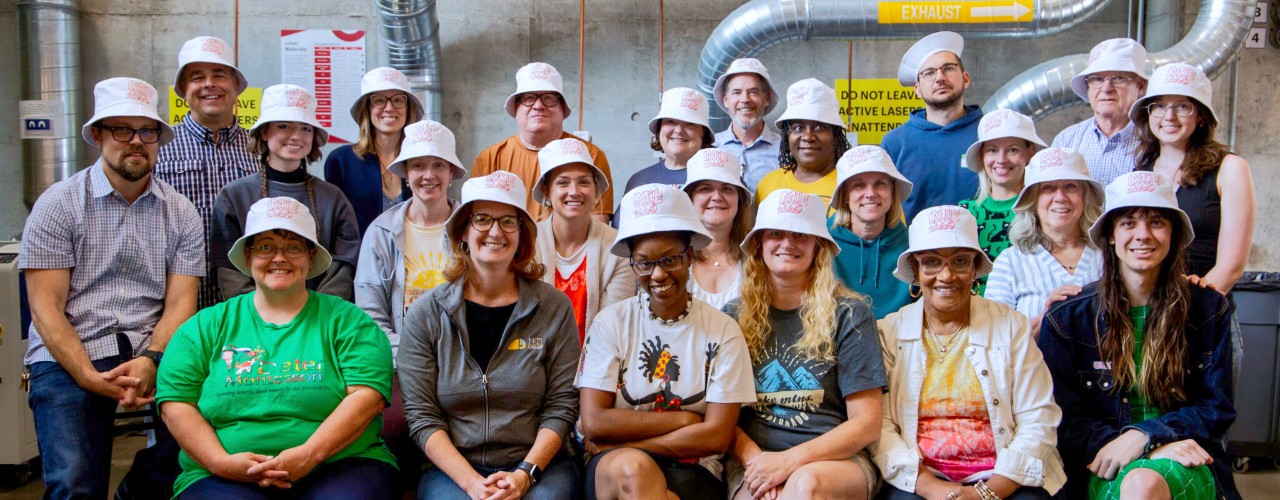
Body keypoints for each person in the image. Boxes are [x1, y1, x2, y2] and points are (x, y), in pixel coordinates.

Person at [21, 77, 203, 500]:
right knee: (73, 481)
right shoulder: (57, 204)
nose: (136, 141)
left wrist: (152, 360)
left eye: (147, 131)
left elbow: (181, 303)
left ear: (159, 138)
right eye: (122, 129)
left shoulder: (181, 213)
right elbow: (45, 309)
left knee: (194, 452)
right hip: (70, 350)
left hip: (152, 348)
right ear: (98, 135)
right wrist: (86, 375)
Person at [156, 197, 395, 499]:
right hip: (222, 474)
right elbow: (176, 404)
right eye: (266, 246)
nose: (279, 258)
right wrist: (220, 462)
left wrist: (309, 454)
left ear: (310, 257)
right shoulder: (203, 328)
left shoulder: (350, 322)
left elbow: (366, 397)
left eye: (293, 247)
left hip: (340, 463)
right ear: (248, 255)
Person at [1040, 171, 1239, 500]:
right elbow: (1059, 417)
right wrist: (1140, 445)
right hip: (1102, 458)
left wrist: (1147, 435)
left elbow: (1216, 408)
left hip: (1185, 457)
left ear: (1174, 234)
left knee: (1143, 484)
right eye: (1129, 223)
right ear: (1112, 236)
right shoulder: (1068, 318)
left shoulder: (1208, 309)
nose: (1143, 235)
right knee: (1141, 483)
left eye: (1157, 222)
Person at [400, 171, 582, 500]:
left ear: (522, 235)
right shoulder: (426, 313)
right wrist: (472, 483)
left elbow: (561, 406)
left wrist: (525, 473)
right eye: (482, 219)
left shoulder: (554, 307)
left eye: (508, 221)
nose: (495, 231)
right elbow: (422, 416)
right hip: (453, 469)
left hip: (539, 466)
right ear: (462, 232)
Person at [577, 183, 756, 500]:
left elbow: (716, 436)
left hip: (695, 468)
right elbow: (594, 422)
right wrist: (685, 420)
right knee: (634, 470)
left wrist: (627, 439)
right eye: (644, 263)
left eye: (670, 259)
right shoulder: (610, 323)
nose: (658, 275)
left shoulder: (723, 331)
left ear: (690, 257)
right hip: (615, 467)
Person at [875, 205, 1066, 499]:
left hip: (1007, 475)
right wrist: (932, 487)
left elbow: (1038, 417)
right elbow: (882, 427)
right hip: (920, 478)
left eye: (960, 261)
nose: (947, 275)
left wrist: (986, 493)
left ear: (976, 268)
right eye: (932, 262)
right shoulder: (889, 332)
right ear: (915, 270)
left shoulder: (1010, 326)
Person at [724, 189, 887, 500]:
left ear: (818, 247)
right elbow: (720, 417)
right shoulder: (731, 317)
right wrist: (758, 462)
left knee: (804, 487)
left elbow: (866, 424)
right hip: (752, 458)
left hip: (835, 460)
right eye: (775, 234)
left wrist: (787, 463)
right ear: (759, 245)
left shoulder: (850, 315)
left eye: (800, 234)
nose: (787, 243)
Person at [353, 119, 466, 494]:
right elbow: (371, 316)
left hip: (467, 362)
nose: (428, 175)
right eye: (418, 166)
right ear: (405, 173)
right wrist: (413, 362)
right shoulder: (381, 232)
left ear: (451, 171)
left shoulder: (474, 227)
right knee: (392, 426)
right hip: (400, 364)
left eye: (438, 165)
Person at [212, 84, 360, 301]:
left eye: (305, 128)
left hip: (319, 323)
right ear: (264, 131)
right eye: (283, 126)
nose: (296, 136)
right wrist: (265, 314)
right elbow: (228, 270)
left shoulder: (333, 199)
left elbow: (344, 265)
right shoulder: (233, 197)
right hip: (256, 325)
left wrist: (313, 315)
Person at [1132, 63, 1256, 295]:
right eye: (1159, 106)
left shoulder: (1230, 169)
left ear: (1200, 116)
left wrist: (1190, 307)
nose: (1169, 116)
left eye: (1182, 106)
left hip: (1204, 307)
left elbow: (1231, 267)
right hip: (1147, 307)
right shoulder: (1139, 172)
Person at [156, 36, 257, 310]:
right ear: (182, 90)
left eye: (219, 75)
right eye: (197, 77)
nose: (209, 84)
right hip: (174, 302)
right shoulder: (157, 148)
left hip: (247, 301)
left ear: (236, 85)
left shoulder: (261, 150)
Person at [472, 62, 614, 222]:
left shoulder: (591, 156)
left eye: (548, 98)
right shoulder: (489, 159)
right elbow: (478, 222)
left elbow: (598, 225)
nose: (538, 106)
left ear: (562, 109)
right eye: (529, 98)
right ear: (516, 109)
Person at [985, 147, 1105, 333]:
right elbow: (994, 342)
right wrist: (1049, 318)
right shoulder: (1010, 261)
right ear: (1032, 199)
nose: (1060, 197)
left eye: (1070, 186)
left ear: (1085, 195)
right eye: (1048, 188)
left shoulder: (1107, 256)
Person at [532, 137, 634, 342]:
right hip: (536, 366)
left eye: (584, 182)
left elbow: (612, 327)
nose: (574, 191)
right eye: (562, 182)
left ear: (596, 191)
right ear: (546, 190)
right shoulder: (527, 242)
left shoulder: (618, 247)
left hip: (599, 364)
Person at [881, 31, 984, 221]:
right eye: (929, 73)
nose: (939, 77)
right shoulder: (895, 143)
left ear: (966, 78)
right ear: (917, 89)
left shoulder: (989, 134)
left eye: (949, 68)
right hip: (914, 250)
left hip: (981, 249)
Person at [325, 67, 424, 237]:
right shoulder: (341, 161)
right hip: (358, 261)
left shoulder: (422, 160)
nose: (389, 108)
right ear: (367, 109)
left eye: (398, 100)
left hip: (414, 260)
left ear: (408, 108)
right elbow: (334, 226)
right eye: (379, 100)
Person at [959, 109, 1046, 294]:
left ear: (1029, 152)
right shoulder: (964, 214)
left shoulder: (1045, 211)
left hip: (1028, 317)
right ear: (982, 155)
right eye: (992, 150)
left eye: (1012, 150)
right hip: (975, 317)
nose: (1001, 159)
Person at [828, 145, 915, 319]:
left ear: (892, 191)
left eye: (880, 184)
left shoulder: (914, 244)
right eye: (858, 186)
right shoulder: (821, 242)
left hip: (899, 341)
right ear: (845, 195)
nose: (870, 193)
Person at [1052, 38, 1150, 186]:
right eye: (1097, 79)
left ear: (1140, 86)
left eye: (1118, 78)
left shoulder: (1153, 144)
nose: (1106, 88)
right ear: (1088, 87)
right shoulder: (1066, 141)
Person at [755, 78, 851, 209]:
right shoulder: (767, 185)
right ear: (787, 136)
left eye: (819, 127)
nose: (808, 137)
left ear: (836, 135)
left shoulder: (851, 185)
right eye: (798, 128)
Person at [684, 148, 752, 309]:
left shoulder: (757, 258)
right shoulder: (672, 257)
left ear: (739, 200)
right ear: (690, 199)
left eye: (727, 188)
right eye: (705, 188)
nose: (716, 197)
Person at [622, 87, 714, 194]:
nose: (679, 130)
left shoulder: (719, 178)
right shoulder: (638, 181)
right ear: (659, 128)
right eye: (671, 121)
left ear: (703, 133)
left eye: (690, 124)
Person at [712, 58, 782, 192]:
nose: (745, 99)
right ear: (726, 100)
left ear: (766, 99)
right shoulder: (710, 148)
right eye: (737, 92)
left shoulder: (785, 151)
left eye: (753, 92)